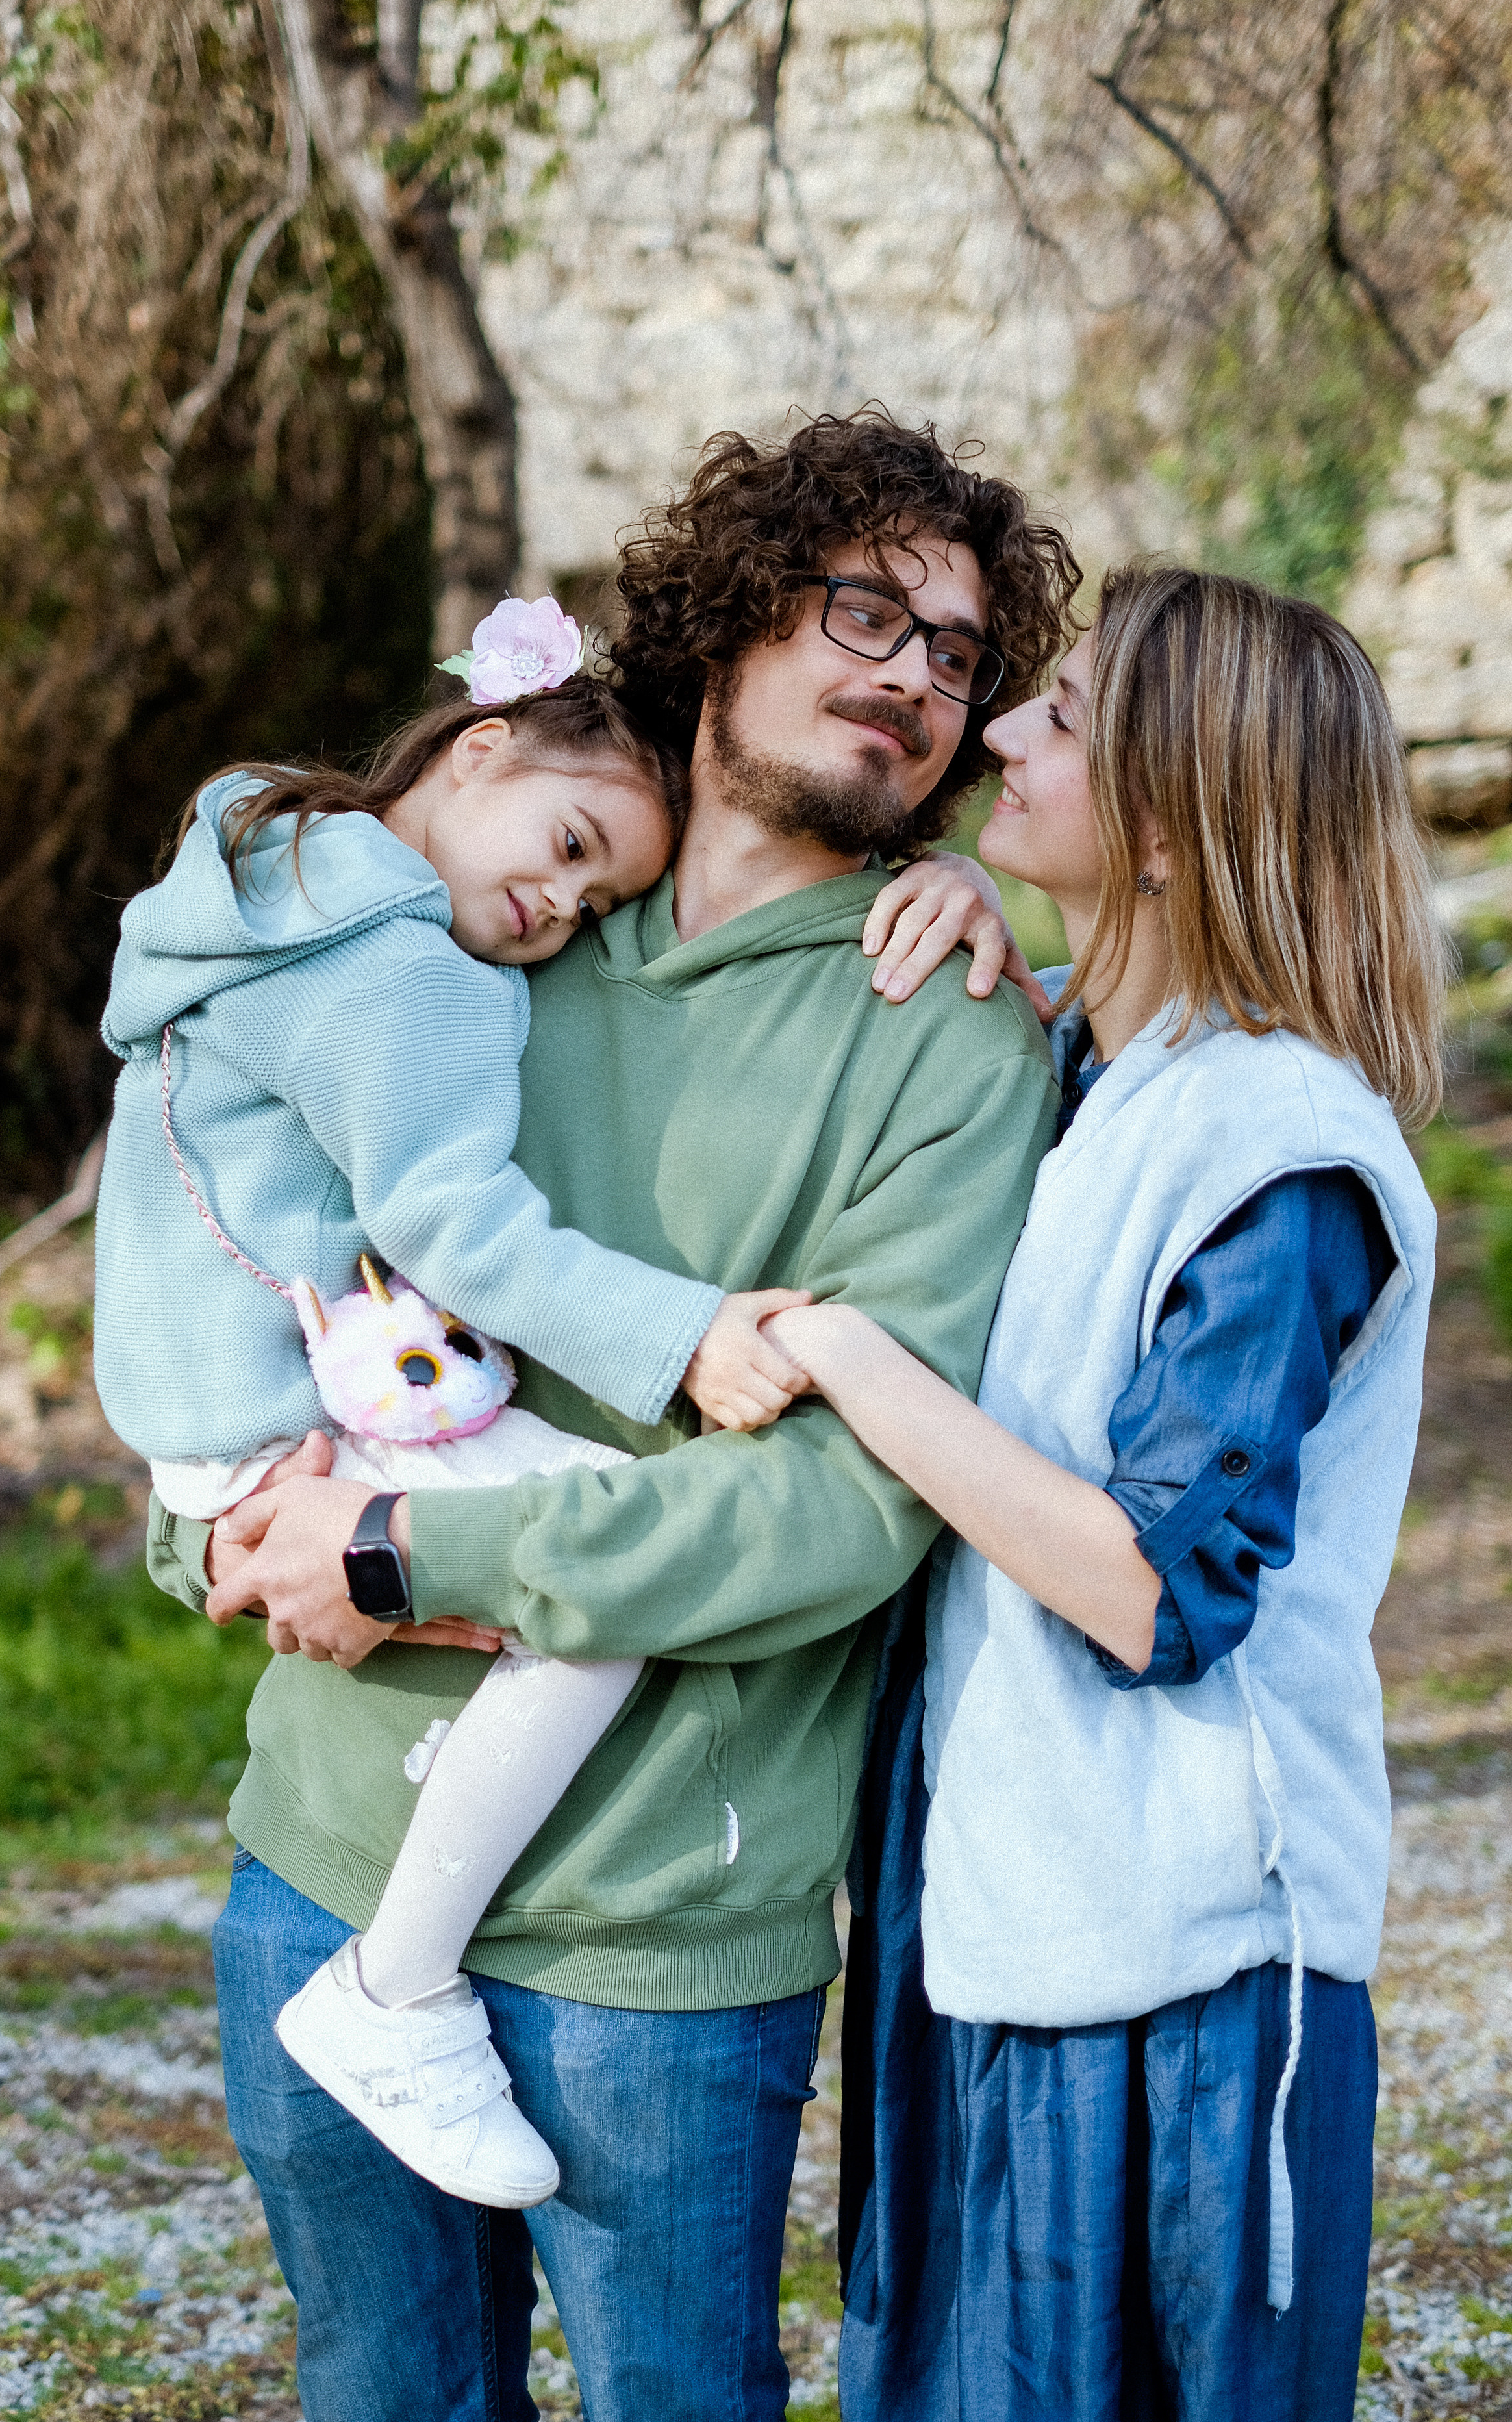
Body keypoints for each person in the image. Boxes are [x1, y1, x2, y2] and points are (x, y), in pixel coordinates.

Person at [145, 407, 1080, 2421]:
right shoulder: (503, 915)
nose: (916, 673)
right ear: (734, 612)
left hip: (655, 1937)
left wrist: (415, 1549)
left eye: (958, 658)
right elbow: (226, 1188)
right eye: (867, 610)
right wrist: (208, 1519)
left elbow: (843, 1508)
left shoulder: (946, 1035)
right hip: (316, 1853)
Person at [761, 564, 1446, 2422]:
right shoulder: (1090, 1069)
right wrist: (996, 922)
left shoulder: (1286, 1151)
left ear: (1168, 820)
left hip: (1189, 1968)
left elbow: (1154, 1593)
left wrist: (838, 1352)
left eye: (1052, 718)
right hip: (994, 1914)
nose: (990, 730)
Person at [96, 635, 840, 2210]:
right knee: (604, 1565)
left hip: (212, 1404)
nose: (556, 915)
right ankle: (400, 1986)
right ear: (481, 745)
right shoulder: (405, 969)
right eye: (570, 850)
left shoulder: (262, 876)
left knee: (553, 1562)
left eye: (592, 905)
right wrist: (690, 1335)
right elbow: (461, 1232)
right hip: (291, 1403)